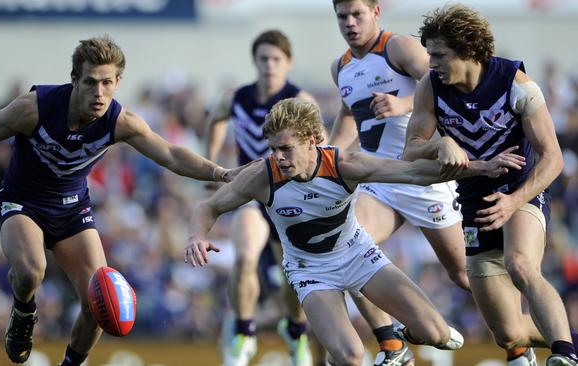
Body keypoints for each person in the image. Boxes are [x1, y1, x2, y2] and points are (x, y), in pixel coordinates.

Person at [0, 35, 246, 366]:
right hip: (23, 202)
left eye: (107, 83)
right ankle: (24, 312)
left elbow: (169, 154)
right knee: (30, 271)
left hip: (72, 208)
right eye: (91, 82)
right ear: (75, 80)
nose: (99, 93)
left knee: (99, 301)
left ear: (117, 81)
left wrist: (220, 173)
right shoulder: (34, 108)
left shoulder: (121, 122)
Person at [185, 98, 528, 366]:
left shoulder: (344, 165)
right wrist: (197, 236)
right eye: (273, 148)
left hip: (358, 255)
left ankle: (398, 336)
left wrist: (482, 166)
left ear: (310, 142)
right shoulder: (263, 175)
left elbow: (414, 173)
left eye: (285, 148)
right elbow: (208, 207)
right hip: (310, 272)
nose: (278, 157)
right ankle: (351, 350)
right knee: (350, 357)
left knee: (439, 335)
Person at [403, 4, 577, 366]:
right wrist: (439, 143)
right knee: (508, 333)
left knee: (520, 265)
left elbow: (553, 158)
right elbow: (410, 152)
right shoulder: (430, 87)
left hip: (522, 188)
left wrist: (514, 202)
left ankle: (565, 354)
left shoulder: (516, 83)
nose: (430, 62)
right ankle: (560, 341)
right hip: (473, 201)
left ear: (467, 49)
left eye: (438, 54)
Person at [327, 0, 467, 364]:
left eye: (357, 14)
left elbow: (441, 80)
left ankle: (520, 342)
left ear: (376, 11)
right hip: (381, 180)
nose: (350, 23)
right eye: (343, 16)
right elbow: (348, 114)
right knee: (347, 249)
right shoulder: (340, 66)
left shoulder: (397, 47)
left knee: (464, 274)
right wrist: (326, 158)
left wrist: (404, 105)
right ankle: (392, 345)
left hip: (423, 177)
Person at [204, 29, 315, 366]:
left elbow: (318, 147)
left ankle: (295, 330)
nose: (269, 65)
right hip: (252, 192)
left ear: (288, 62)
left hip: (289, 194)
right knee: (246, 256)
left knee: (291, 272)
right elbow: (214, 120)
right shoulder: (237, 97)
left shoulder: (301, 100)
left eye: (276, 59)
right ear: (255, 61)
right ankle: (242, 330)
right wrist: (212, 167)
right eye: (264, 59)